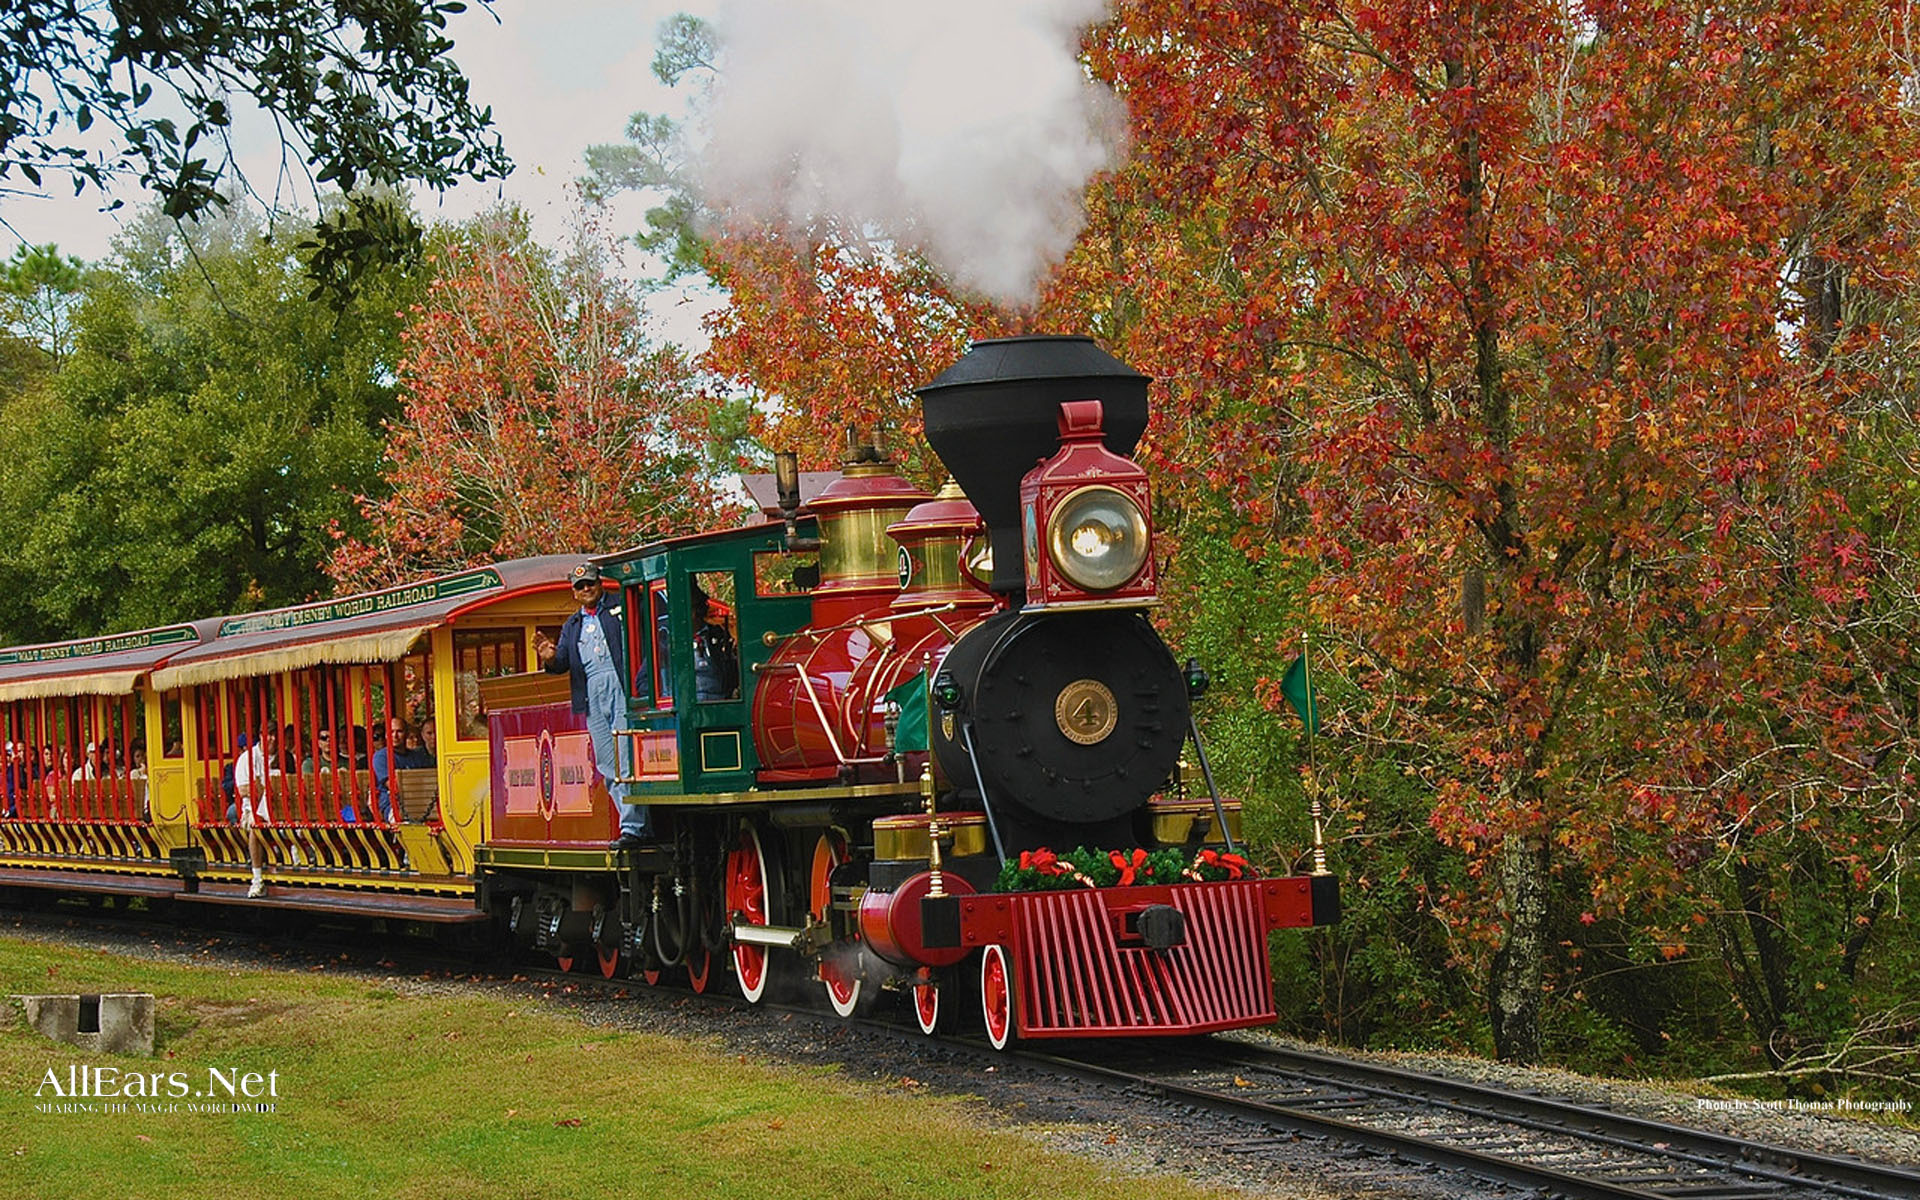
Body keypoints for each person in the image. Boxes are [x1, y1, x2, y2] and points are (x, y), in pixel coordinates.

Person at [536, 561, 641, 850]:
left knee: (627, 759)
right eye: (579, 586)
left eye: (590, 583)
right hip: (590, 694)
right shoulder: (572, 624)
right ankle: (629, 824)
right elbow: (561, 664)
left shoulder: (620, 607)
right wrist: (548, 656)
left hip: (621, 686)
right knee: (607, 763)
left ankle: (634, 826)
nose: (586, 589)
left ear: (600, 583)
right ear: (574, 591)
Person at [234, 727, 282, 898]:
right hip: (251, 808)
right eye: (269, 734)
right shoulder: (247, 759)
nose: (273, 739)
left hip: (281, 805)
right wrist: (261, 789)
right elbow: (243, 790)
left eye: (275, 734)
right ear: (261, 736)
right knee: (256, 824)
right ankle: (257, 878)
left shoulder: (285, 757)